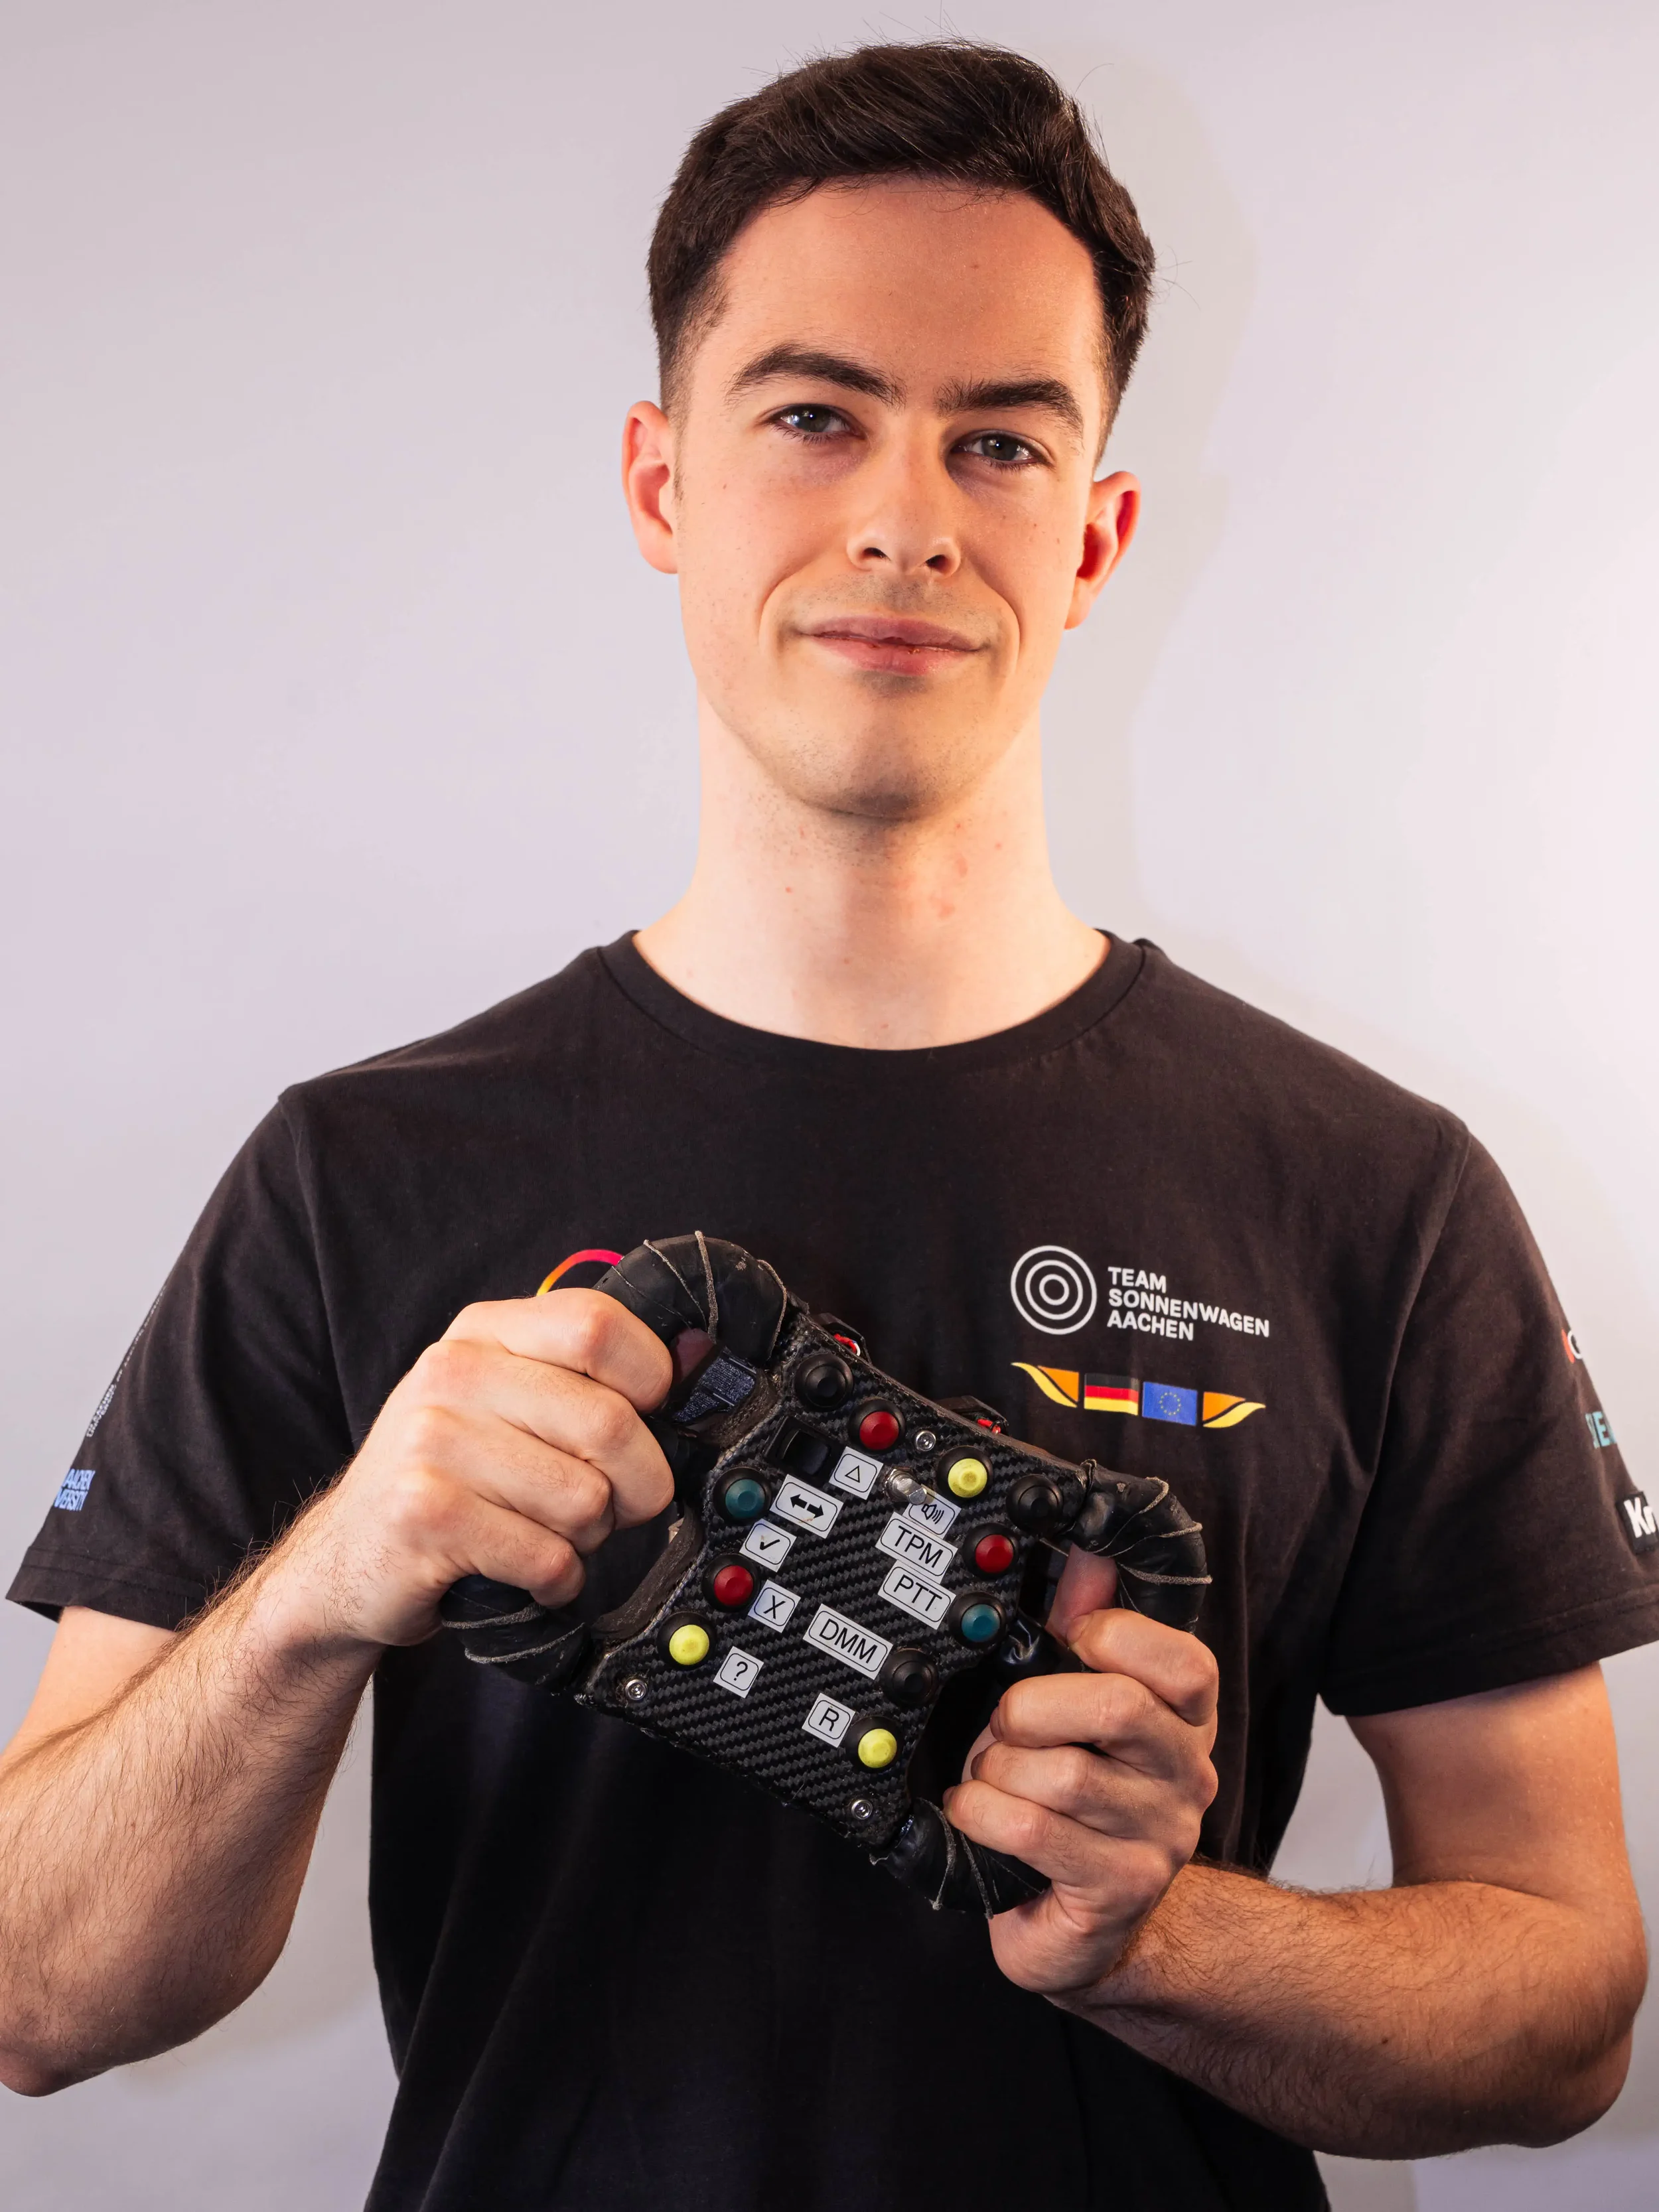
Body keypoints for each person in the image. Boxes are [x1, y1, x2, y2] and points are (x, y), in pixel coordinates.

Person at [1, 38, 1652, 2212]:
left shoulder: (1375, 1196)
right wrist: (323, 1583)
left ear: (1093, 534)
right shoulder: (353, 1177)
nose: (904, 516)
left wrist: (1152, 1937)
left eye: (1000, 440)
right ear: (660, 483)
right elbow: (38, 1991)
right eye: (811, 415)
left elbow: (1562, 2009)